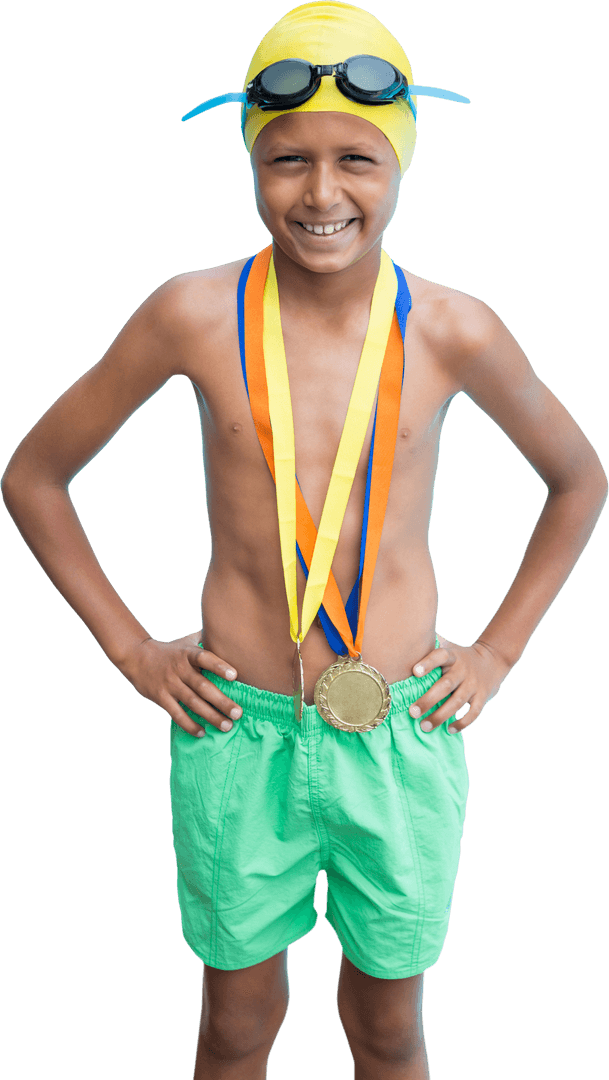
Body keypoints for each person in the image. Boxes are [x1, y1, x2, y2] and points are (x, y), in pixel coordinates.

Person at [2, 2, 606, 1078]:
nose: (321, 194)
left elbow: (577, 479)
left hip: (401, 736)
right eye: (286, 160)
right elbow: (34, 474)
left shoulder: (454, 327)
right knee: (236, 1029)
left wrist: (498, 651)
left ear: (404, 158)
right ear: (251, 158)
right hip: (240, 732)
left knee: (387, 1030)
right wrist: (132, 649)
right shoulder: (191, 314)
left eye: (356, 160)